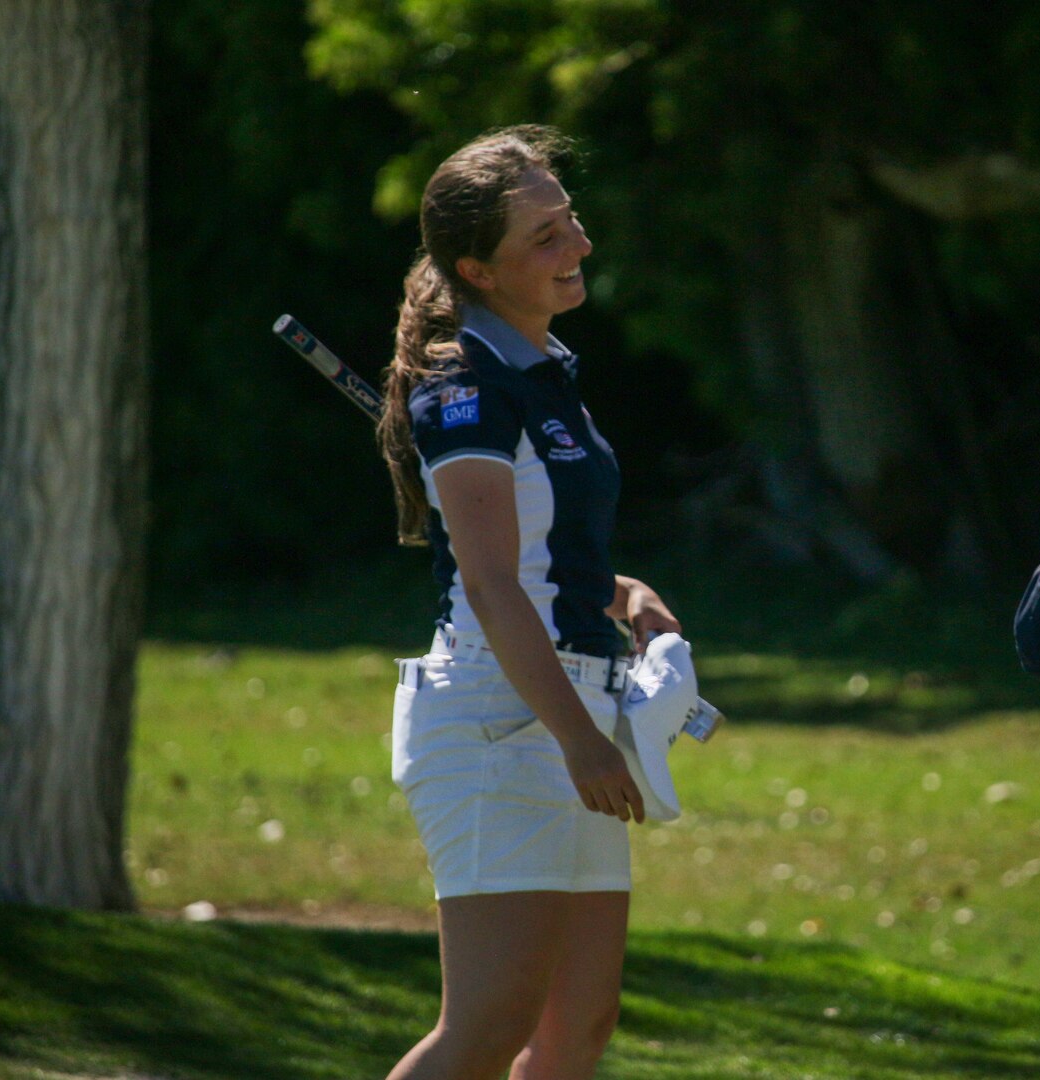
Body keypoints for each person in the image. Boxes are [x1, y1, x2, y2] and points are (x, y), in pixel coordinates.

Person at [378, 125, 681, 1080]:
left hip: (573, 698)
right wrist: (580, 742)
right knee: (487, 1025)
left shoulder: (545, 373)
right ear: (478, 267)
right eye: (544, 236)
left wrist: (623, 592)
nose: (578, 245)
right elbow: (489, 580)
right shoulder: (466, 385)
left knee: (574, 1029)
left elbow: (543, 551)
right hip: (498, 719)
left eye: (571, 221)